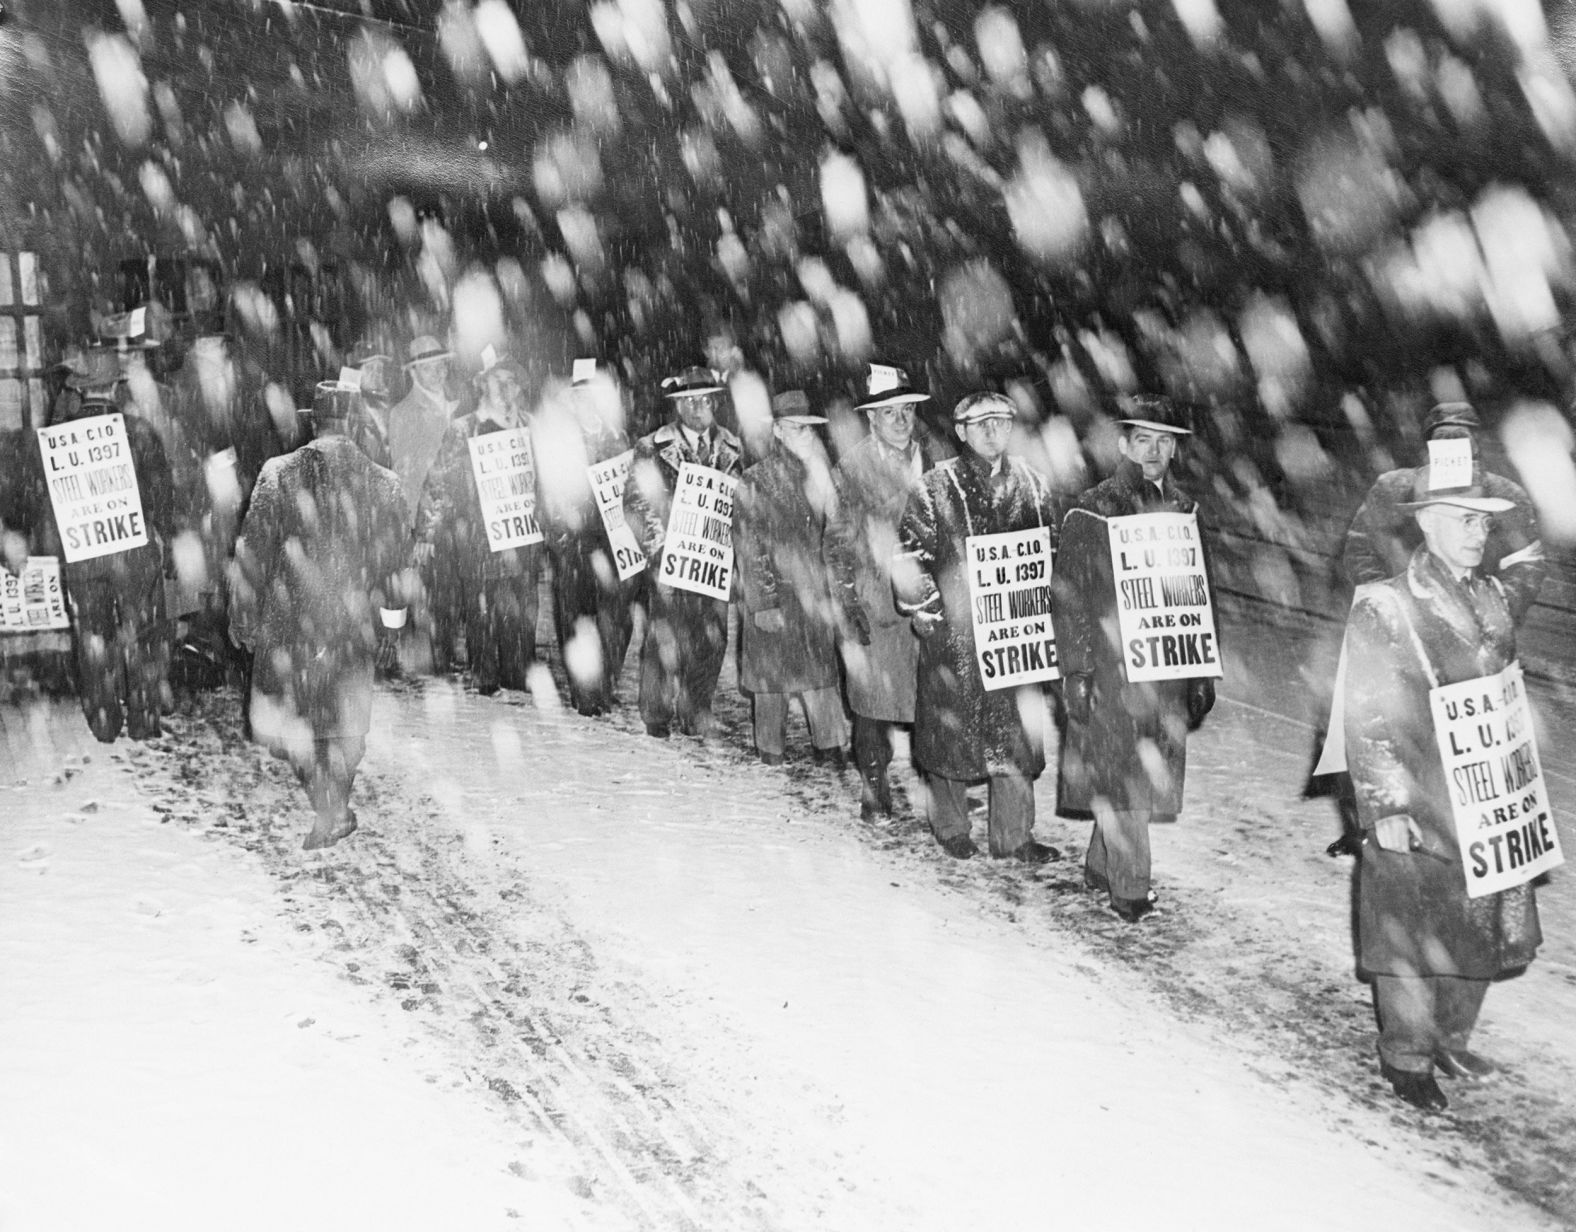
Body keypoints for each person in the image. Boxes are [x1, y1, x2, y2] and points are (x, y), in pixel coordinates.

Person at [1343, 465, 1541, 1112]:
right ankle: (1406, 1054)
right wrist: (1386, 804)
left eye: (1484, 520)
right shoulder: (1385, 604)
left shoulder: (1491, 597)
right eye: (1464, 517)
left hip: (1483, 797)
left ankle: (1450, 1035)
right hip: (1421, 788)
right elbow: (1367, 712)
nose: (1479, 531)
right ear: (1425, 520)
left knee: (1477, 921)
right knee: (1409, 925)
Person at [1327, 400, 1546, 857]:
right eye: (1442, 437)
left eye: (1462, 436)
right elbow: (1359, 546)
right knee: (1377, 721)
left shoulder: (1503, 493)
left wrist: (1501, 604)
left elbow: (1528, 561)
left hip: (1469, 629)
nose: (1453, 446)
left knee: (1471, 752)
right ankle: (1369, 822)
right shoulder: (1397, 488)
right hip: (1402, 627)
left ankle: (1478, 842)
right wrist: (1392, 600)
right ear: (1426, 442)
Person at [1053, 395, 1218, 921]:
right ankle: (1130, 889)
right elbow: (1068, 598)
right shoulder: (1092, 509)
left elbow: (1199, 594)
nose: (1155, 450)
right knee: (1127, 777)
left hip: (1165, 667)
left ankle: (1103, 866)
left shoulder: (1184, 510)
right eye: (1143, 439)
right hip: (1110, 671)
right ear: (1123, 443)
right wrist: (1075, 670)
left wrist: (1203, 669)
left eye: (1165, 441)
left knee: (1137, 776)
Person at [229, 382, 411, 850]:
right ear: (353, 423)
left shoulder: (279, 474)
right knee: (347, 720)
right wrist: (392, 624)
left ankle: (330, 806)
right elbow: (397, 565)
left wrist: (244, 617)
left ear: (313, 421)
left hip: (293, 621)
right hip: (355, 622)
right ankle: (336, 804)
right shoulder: (383, 483)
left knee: (301, 719)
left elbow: (253, 555)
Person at [893, 390, 1061, 864]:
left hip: (1015, 641)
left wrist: (1047, 614)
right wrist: (929, 611)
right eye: (981, 423)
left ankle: (1014, 835)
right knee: (950, 736)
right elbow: (907, 560)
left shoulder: (1033, 484)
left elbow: (1052, 553)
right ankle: (950, 826)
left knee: (1016, 738)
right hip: (958, 640)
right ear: (961, 431)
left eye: (1002, 422)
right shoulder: (934, 487)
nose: (992, 432)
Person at [827, 361, 955, 819]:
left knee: (936, 702)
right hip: (878, 603)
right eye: (889, 413)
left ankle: (940, 790)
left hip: (929, 599)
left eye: (906, 410)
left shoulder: (937, 455)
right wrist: (847, 604)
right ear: (871, 419)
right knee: (873, 707)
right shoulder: (853, 468)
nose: (900, 420)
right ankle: (874, 786)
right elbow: (837, 542)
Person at [33, 346, 175, 743]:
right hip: (135, 551)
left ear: (80, 389)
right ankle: (144, 720)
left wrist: (53, 549)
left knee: (94, 638)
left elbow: (47, 503)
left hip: (84, 552)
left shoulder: (60, 438)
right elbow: (163, 494)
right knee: (144, 634)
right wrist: (166, 533)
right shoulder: (140, 431)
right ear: (115, 386)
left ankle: (104, 721)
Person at [623, 365, 744, 739]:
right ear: (677, 406)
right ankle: (656, 713)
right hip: (670, 560)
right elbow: (635, 503)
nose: (698, 407)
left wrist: (732, 547)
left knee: (712, 637)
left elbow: (740, 502)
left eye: (706, 400)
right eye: (689, 400)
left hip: (713, 562)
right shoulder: (651, 447)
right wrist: (660, 547)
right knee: (665, 635)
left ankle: (696, 709)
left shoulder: (733, 447)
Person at [734, 390, 853, 765]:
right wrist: (763, 603)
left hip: (814, 595)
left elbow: (839, 535)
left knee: (821, 676)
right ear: (779, 432)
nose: (804, 435)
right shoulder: (755, 481)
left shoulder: (825, 477)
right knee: (771, 684)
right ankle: (770, 749)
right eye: (795, 428)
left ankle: (830, 744)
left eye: (809, 429)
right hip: (777, 596)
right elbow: (749, 549)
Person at [416, 353, 546, 695]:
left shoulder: (532, 428)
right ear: (481, 385)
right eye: (496, 380)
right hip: (478, 535)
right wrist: (428, 531)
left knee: (521, 607)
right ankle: (484, 673)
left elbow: (547, 483)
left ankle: (517, 672)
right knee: (482, 608)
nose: (504, 389)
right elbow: (439, 483)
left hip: (523, 536)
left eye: (511, 382)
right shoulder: (463, 429)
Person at [532, 360, 637, 715]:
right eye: (579, 396)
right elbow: (544, 497)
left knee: (617, 619)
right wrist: (560, 540)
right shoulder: (558, 441)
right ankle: (585, 692)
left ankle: (605, 681)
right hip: (573, 546)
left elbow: (632, 490)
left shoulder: (618, 439)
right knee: (576, 620)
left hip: (612, 545)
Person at [388, 334, 460, 673]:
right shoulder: (404, 413)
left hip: (461, 517)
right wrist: (416, 528)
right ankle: (427, 660)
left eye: (441, 364)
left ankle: (443, 653)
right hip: (425, 517)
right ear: (414, 372)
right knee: (428, 590)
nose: (438, 371)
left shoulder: (460, 406)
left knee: (453, 589)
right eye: (428, 367)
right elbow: (406, 475)